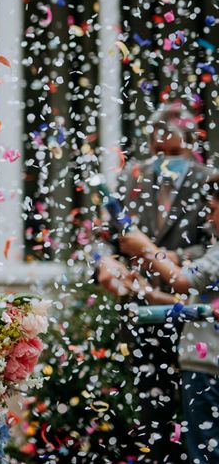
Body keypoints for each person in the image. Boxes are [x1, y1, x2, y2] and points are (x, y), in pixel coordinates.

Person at [96, 103, 213, 461]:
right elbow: (106, 234)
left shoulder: (207, 178)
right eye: (157, 137)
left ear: (188, 140)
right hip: (140, 308)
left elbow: (214, 243)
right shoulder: (133, 175)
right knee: (151, 410)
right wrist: (106, 262)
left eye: (172, 139)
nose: (162, 144)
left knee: (200, 413)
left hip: (195, 314)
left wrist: (175, 259)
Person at [119, 174, 219, 464]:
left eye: (213, 209)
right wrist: (150, 295)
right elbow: (197, 303)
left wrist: (144, 248)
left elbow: (183, 281)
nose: (210, 217)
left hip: (207, 368)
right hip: (205, 367)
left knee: (206, 454)